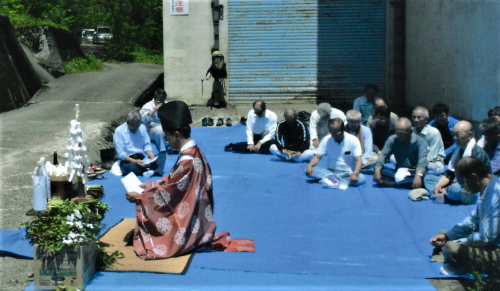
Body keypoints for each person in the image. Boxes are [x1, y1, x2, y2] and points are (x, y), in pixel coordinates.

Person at [126, 101, 255, 260]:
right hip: (196, 215)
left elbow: (172, 192)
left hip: (190, 223)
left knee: (153, 233)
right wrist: (150, 185)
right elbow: (174, 182)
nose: (166, 139)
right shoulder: (193, 153)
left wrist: (141, 197)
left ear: (177, 135)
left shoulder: (188, 160)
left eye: (167, 135)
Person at [430, 157, 500, 276]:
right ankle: (459, 261)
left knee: (451, 248)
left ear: (473, 178)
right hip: (488, 241)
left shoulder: (496, 194)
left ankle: (463, 265)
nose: (462, 188)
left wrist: (458, 241)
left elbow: (488, 237)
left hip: (495, 248)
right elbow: (474, 221)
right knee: (443, 235)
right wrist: (448, 236)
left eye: (463, 183)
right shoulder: (485, 187)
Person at [424, 121, 490, 204]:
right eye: (454, 134)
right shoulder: (458, 150)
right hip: (458, 183)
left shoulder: (477, 153)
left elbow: (473, 182)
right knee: (428, 178)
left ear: (470, 135)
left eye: (457, 134)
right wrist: (439, 185)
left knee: (454, 189)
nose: (455, 138)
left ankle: (444, 195)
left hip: (474, 189)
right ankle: (442, 193)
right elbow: (450, 173)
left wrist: (447, 188)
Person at [305, 118, 365, 186]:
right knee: (309, 170)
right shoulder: (326, 140)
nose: (334, 135)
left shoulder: (353, 140)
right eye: (332, 132)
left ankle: (330, 179)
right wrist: (309, 166)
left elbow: (358, 159)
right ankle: (338, 179)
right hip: (330, 171)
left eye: (337, 132)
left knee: (361, 178)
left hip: (348, 172)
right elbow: (318, 157)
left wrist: (355, 173)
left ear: (343, 129)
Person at [373, 118, 429, 189]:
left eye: (402, 134)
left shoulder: (420, 142)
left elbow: (422, 161)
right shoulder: (392, 139)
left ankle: (393, 184)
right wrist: (377, 171)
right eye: (397, 133)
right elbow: (383, 155)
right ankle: (403, 183)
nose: (399, 136)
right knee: (379, 169)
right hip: (399, 170)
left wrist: (418, 176)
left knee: (425, 177)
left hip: (414, 171)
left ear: (410, 132)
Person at [113, 110, 160, 176]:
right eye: (134, 125)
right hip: (128, 160)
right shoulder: (119, 131)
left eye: (138, 125)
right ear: (128, 122)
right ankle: (148, 170)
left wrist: (152, 157)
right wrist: (134, 161)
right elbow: (121, 154)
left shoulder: (142, 128)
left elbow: (146, 145)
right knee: (133, 168)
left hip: (141, 158)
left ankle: (147, 169)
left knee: (160, 160)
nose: (136, 127)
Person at [412, 106, 445, 175]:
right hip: (415, 162)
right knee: (393, 158)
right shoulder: (411, 132)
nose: (416, 120)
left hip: (432, 163)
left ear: (426, 119)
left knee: (429, 167)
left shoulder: (434, 132)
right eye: (414, 117)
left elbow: (431, 157)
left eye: (419, 117)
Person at [139, 88, 169, 154]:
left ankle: (176, 148)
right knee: (160, 130)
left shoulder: (166, 104)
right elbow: (143, 120)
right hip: (151, 130)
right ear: (155, 98)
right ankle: (162, 150)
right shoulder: (147, 106)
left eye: (163, 100)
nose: (161, 102)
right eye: (159, 100)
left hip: (165, 127)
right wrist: (154, 110)